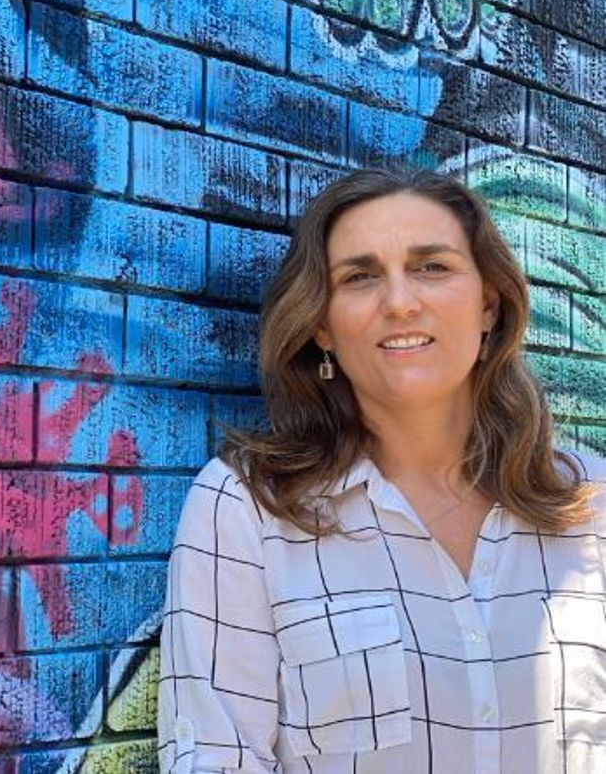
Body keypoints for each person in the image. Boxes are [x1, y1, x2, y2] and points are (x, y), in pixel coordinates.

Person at [157, 169, 606, 773]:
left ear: (488, 306)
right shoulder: (246, 509)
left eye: (433, 267)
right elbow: (215, 757)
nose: (400, 303)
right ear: (322, 326)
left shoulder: (592, 505)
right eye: (360, 277)